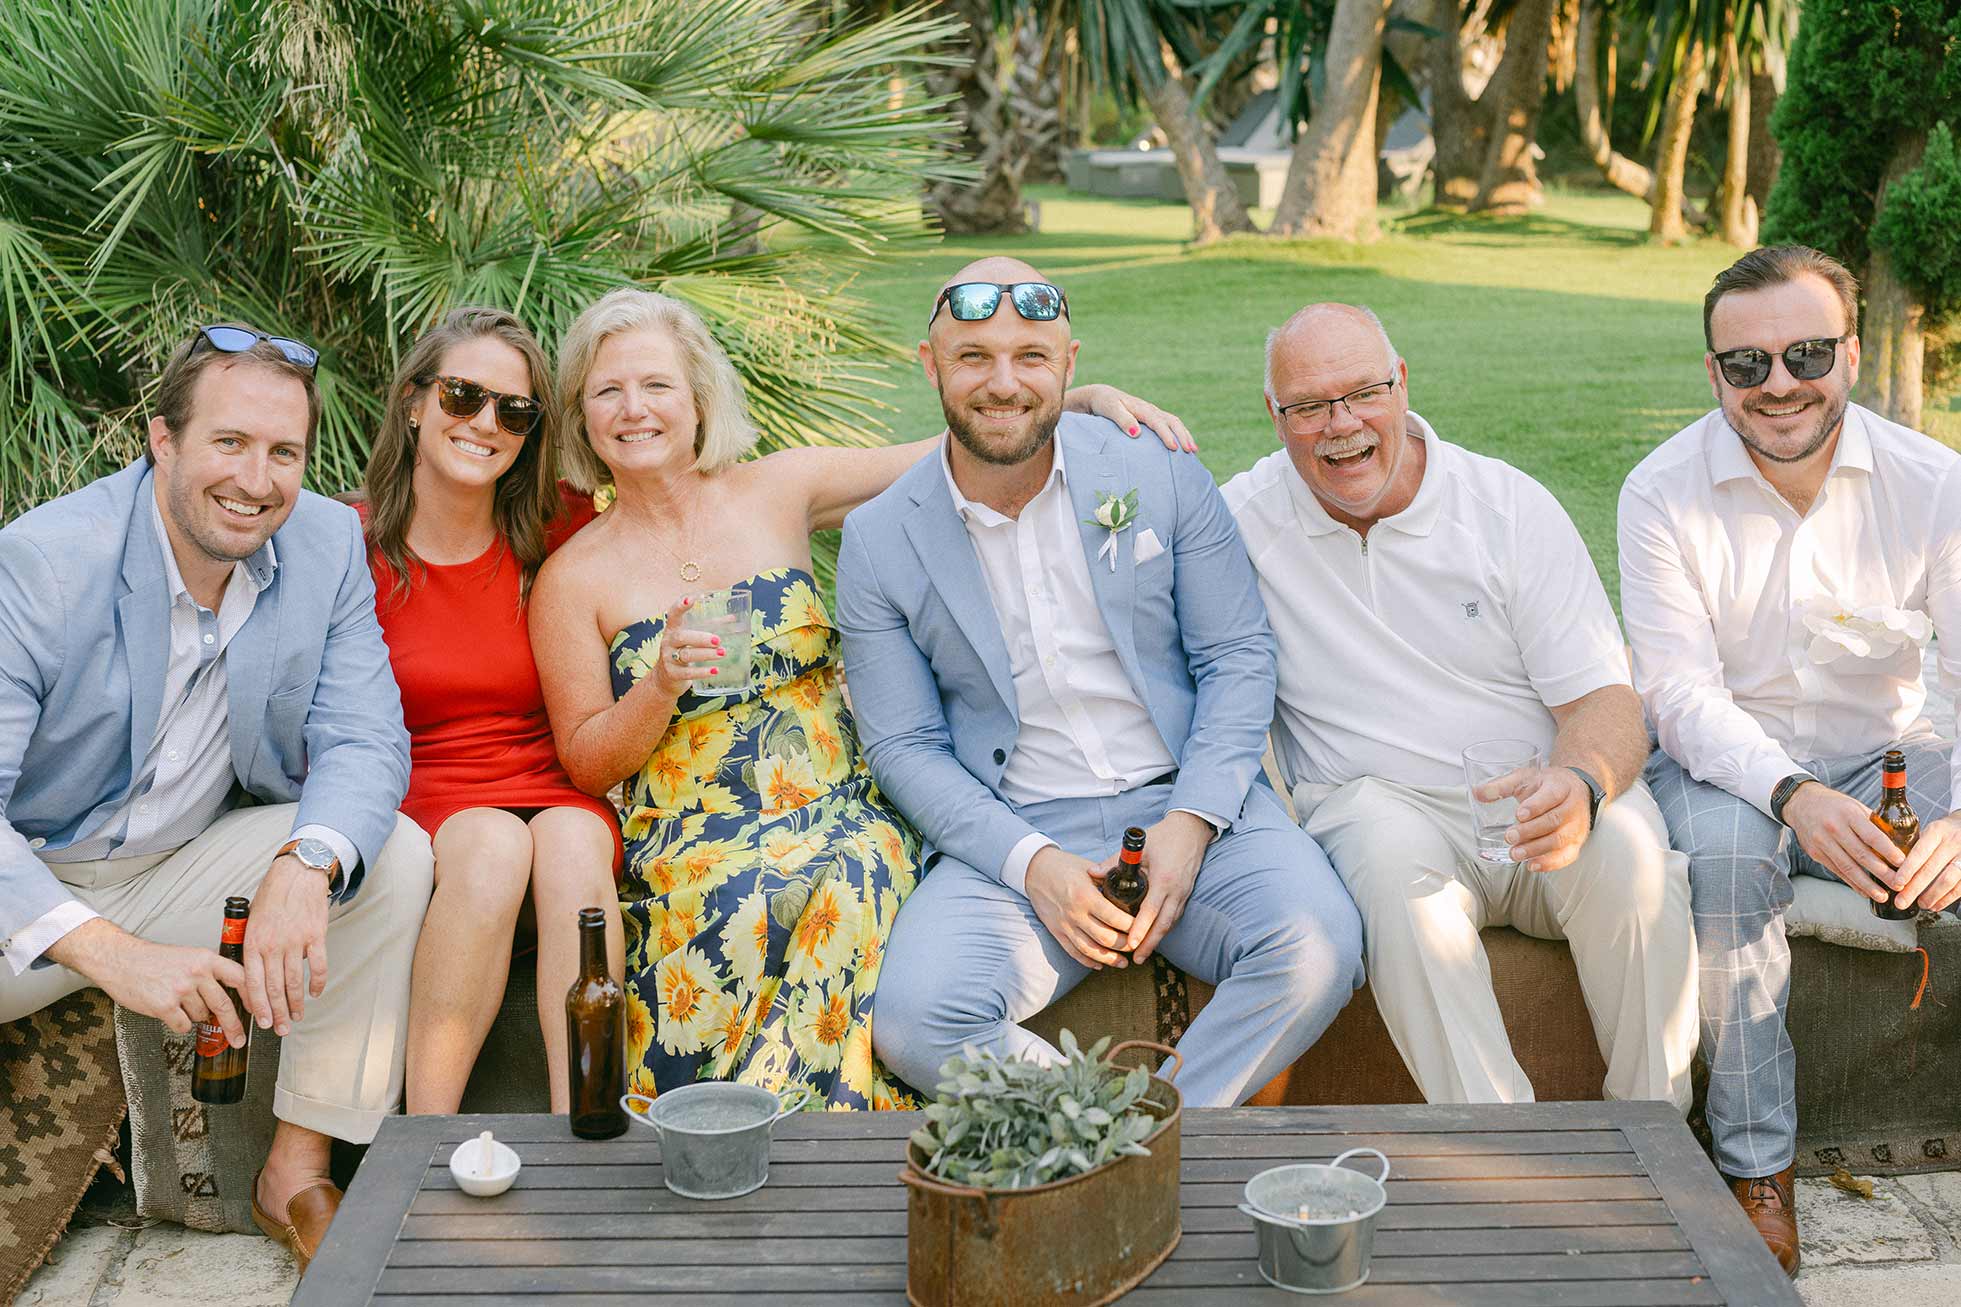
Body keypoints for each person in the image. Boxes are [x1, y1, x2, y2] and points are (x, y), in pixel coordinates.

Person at [531, 286, 1187, 1106]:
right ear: (581, 415)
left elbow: (950, 452)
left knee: (849, 867)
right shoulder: (573, 579)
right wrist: (660, 684)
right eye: (608, 391)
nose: (635, 409)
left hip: (839, 800)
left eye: (656, 385)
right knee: (751, 898)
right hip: (699, 832)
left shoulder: (779, 489)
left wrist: (1074, 399)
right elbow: (588, 760)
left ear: (698, 397)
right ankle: (775, 1125)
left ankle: (789, 1127)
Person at [836, 258, 1365, 1108]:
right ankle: (1109, 1123)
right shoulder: (878, 539)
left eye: (1030, 357)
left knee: (1318, 945)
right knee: (913, 1020)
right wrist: (1030, 862)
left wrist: (1192, 821)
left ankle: (1157, 1127)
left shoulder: (1153, 470)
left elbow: (1235, 654)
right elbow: (903, 746)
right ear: (930, 366)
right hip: (1013, 827)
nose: (1002, 383)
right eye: (972, 357)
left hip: (1190, 803)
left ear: (1068, 365)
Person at [0, 325, 433, 1272]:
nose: (257, 478)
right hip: (26, 877)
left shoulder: (323, 542)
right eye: (228, 443)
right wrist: (117, 957)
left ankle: (297, 1168)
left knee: (391, 850)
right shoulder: (45, 560)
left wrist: (305, 861)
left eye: (284, 451)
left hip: (177, 865)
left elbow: (364, 737)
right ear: (162, 441)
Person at [1223, 302, 1697, 1111]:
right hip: (1381, 805)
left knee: (1632, 855)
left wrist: (1580, 784)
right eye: (1308, 406)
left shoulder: (1505, 507)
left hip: (1539, 793)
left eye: (1362, 393)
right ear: (1274, 416)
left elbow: (1604, 700)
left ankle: (1653, 1136)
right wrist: (1090, 403)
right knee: (1383, 855)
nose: (1340, 425)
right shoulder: (1240, 521)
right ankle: (1502, 1149)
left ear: (1401, 383)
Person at [1620, 245, 1961, 1276]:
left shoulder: (1932, 481)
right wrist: (1792, 794)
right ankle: (1754, 1169)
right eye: (1745, 363)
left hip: (1891, 756)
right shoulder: (1659, 492)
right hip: (1725, 767)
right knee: (1726, 871)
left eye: (1805, 352)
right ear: (1711, 373)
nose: (1777, 384)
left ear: (1850, 355)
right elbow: (1676, 695)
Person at [358, 306, 624, 1115]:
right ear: (413, 399)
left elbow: (684, 513)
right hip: (423, 793)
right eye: (463, 396)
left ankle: (584, 1119)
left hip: (553, 779)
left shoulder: (560, 524)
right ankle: (422, 1136)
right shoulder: (347, 540)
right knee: (490, 844)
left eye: (513, 410)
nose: (485, 424)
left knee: (575, 840)